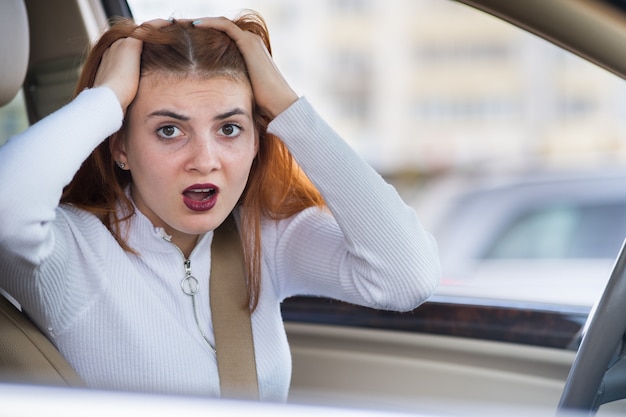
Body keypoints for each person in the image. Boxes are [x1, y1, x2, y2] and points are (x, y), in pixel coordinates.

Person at [0, 11, 440, 401]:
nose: (205, 161)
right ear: (121, 147)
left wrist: (287, 107)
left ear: (255, 140)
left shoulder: (264, 235)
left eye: (229, 128)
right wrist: (108, 96)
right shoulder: (66, 251)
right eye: (169, 131)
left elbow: (406, 277)